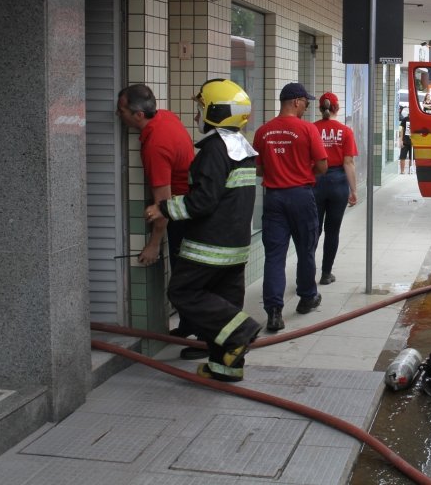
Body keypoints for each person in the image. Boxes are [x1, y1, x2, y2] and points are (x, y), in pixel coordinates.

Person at [144, 78, 262, 382]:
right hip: (236, 247)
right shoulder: (243, 149)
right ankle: (225, 367)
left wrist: (164, 208)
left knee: (183, 291)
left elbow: (203, 201)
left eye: (201, 108)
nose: (197, 116)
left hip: (209, 246)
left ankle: (242, 330)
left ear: (216, 111)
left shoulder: (214, 150)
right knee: (224, 304)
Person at [116, 83, 206, 360]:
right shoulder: (166, 116)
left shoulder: (155, 145)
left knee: (186, 279)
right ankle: (189, 325)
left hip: (184, 214)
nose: (118, 115)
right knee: (186, 275)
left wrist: (154, 244)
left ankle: (205, 339)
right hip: (191, 207)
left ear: (138, 115)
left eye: (121, 110)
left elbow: (163, 205)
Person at [253, 82, 328, 332]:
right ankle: (307, 298)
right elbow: (322, 166)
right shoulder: (307, 129)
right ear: (295, 101)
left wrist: (279, 170)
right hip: (301, 196)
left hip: (273, 198)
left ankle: (274, 312)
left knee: (274, 256)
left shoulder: (263, 131)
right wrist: (300, 170)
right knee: (306, 249)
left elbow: (259, 169)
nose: (307, 107)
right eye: (306, 102)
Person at [313, 92, 358, 285]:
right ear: (336, 108)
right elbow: (348, 163)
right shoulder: (345, 131)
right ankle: (326, 274)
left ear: (320, 108)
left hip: (315, 182)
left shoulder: (312, 129)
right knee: (332, 231)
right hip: (338, 183)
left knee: (312, 231)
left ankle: (306, 274)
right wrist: (353, 190)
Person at [398, 105, 413, 174]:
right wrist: (401, 140)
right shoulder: (405, 119)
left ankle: (410, 171)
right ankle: (402, 171)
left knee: (411, 158)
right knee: (402, 156)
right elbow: (402, 130)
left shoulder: (416, 119)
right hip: (405, 140)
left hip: (413, 141)